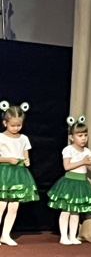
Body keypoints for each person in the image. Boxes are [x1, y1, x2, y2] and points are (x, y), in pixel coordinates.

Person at [47, 115, 91, 245]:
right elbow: (67, 166)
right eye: (80, 136)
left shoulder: (87, 151)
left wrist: (89, 164)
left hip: (81, 183)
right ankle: (64, 236)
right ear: (71, 137)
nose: (83, 138)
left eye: (85, 135)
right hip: (69, 182)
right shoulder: (68, 150)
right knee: (66, 210)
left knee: (76, 211)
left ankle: (73, 236)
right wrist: (82, 161)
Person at [0, 100, 40, 246]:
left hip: (19, 173)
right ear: (5, 123)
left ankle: (5, 235)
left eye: (19, 125)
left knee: (14, 206)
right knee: (1, 205)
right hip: (5, 173)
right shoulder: (1, 137)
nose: (16, 128)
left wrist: (27, 160)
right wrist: (7, 159)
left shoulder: (24, 138)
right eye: (13, 125)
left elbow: (25, 153)